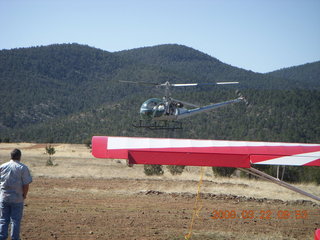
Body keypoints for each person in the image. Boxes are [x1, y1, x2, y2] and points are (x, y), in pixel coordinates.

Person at [0, 149, 32, 240]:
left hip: (4, 197)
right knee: (15, 220)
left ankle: (2, 237)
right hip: (17, 198)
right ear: (20, 157)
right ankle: (14, 238)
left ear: (11, 156)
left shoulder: (3, 166)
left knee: (3, 219)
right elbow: (26, 184)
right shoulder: (22, 168)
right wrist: (24, 195)